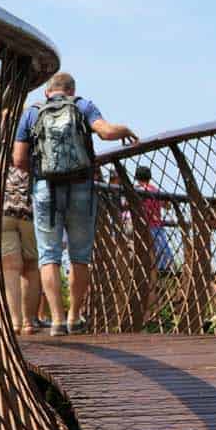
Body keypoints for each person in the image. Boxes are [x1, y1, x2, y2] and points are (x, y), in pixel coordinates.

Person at [12, 71, 137, 335]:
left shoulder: (33, 112)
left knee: (49, 256)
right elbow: (105, 132)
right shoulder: (82, 106)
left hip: (46, 188)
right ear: (71, 90)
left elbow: (19, 159)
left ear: (47, 91)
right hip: (81, 187)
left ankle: (56, 320)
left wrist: (40, 175)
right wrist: (124, 129)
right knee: (80, 256)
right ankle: (74, 316)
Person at [0, 163, 46, 336]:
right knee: (32, 267)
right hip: (30, 206)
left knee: (9, 267)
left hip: (3, 205)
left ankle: (14, 322)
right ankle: (29, 322)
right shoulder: (28, 135)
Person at [133, 165, 174, 272]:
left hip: (141, 226)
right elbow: (167, 206)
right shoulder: (155, 190)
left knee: (146, 254)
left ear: (137, 178)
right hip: (155, 226)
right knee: (164, 254)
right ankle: (160, 272)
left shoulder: (135, 190)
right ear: (149, 177)